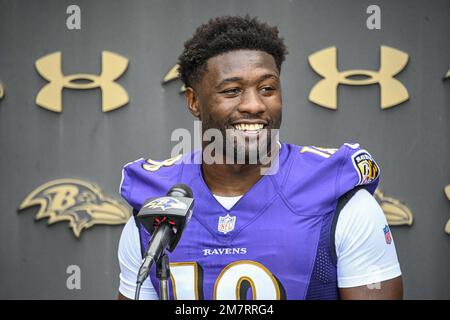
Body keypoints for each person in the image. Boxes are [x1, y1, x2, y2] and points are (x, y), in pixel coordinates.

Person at [117, 15, 403, 300]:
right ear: (194, 102)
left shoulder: (339, 196)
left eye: (267, 88)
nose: (254, 105)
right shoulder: (157, 204)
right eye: (232, 91)